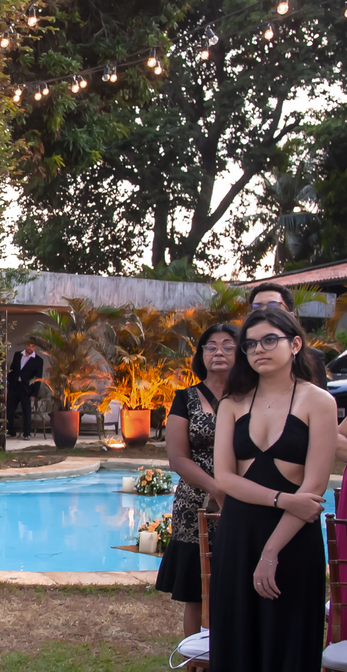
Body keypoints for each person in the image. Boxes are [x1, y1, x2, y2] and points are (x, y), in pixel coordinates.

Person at [210, 308, 337, 671]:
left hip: (292, 541)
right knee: (237, 642)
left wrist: (270, 552)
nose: (258, 350)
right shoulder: (232, 404)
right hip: (238, 538)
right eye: (249, 344)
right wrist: (282, 499)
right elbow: (225, 478)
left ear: (295, 344)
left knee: (288, 644)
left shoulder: (318, 402)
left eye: (269, 340)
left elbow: (313, 488)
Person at [155, 323, 237, 638]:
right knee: (196, 589)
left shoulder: (250, 397)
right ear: (201, 355)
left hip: (243, 501)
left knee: (237, 581)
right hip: (195, 504)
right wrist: (216, 488)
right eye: (211, 346)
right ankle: (196, 661)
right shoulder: (185, 398)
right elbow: (178, 458)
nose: (218, 351)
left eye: (228, 345)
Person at [248, 283, 328, 389]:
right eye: (257, 308)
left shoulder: (313, 359)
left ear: (290, 316)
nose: (264, 311)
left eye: (273, 306)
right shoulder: (242, 355)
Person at [6, 341, 43, 439]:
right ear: (25, 345)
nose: (30, 348)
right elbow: (12, 369)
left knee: (26, 411)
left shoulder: (38, 360)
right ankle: (10, 431)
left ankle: (27, 433)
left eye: (32, 346)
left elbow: (38, 378)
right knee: (10, 410)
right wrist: (7, 382)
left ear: (35, 347)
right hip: (14, 386)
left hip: (26, 388)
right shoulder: (17, 355)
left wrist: (34, 394)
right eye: (28, 345)